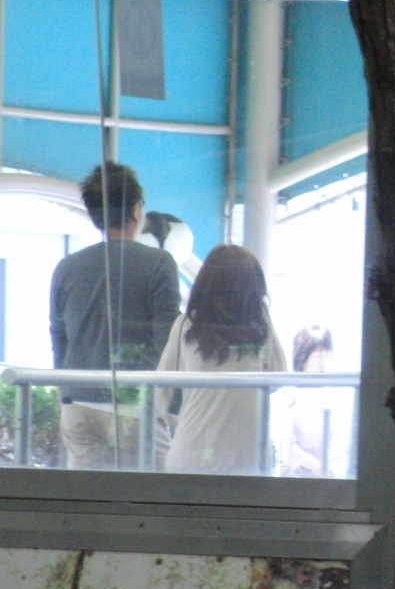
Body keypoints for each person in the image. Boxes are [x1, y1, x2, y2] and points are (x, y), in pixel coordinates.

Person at [49, 162, 181, 469]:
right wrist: (172, 405)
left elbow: (59, 337)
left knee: (88, 504)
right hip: (136, 406)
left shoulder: (66, 267)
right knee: (157, 500)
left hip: (79, 404)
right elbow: (168, 342)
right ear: (137, 210)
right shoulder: (159, 263)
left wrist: (65, 395)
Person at [155, 244, 286, 474]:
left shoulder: (186, 326)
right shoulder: (260, 329)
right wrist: (263, 314)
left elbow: (163, 390)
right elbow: (278, 375)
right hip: (248, 460)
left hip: (192, 453)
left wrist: (178, 419)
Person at [274, 325, 336, 477]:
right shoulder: (289, 394)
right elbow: (286, 444)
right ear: (303, 358)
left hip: (327, 477)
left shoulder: (331, 394)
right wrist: (317, 466)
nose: (322, 362)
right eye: (317, 356)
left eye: (326, 355)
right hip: (297, 477)